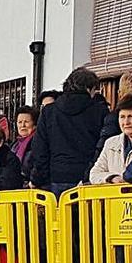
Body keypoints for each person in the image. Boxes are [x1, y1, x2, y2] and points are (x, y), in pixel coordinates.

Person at [31, 67, 111, 195]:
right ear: (88, 88)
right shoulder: (100, 111)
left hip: (57, 177)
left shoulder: (49, 111)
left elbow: (40, 148)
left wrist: (37, 178)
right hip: (87, 178)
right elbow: (102, 146)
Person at [90, 95, 132, 184]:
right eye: (122, 117)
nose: (126, 122)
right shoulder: (111, 143)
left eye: (131, 116)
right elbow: (94, 174)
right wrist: (112, 178)